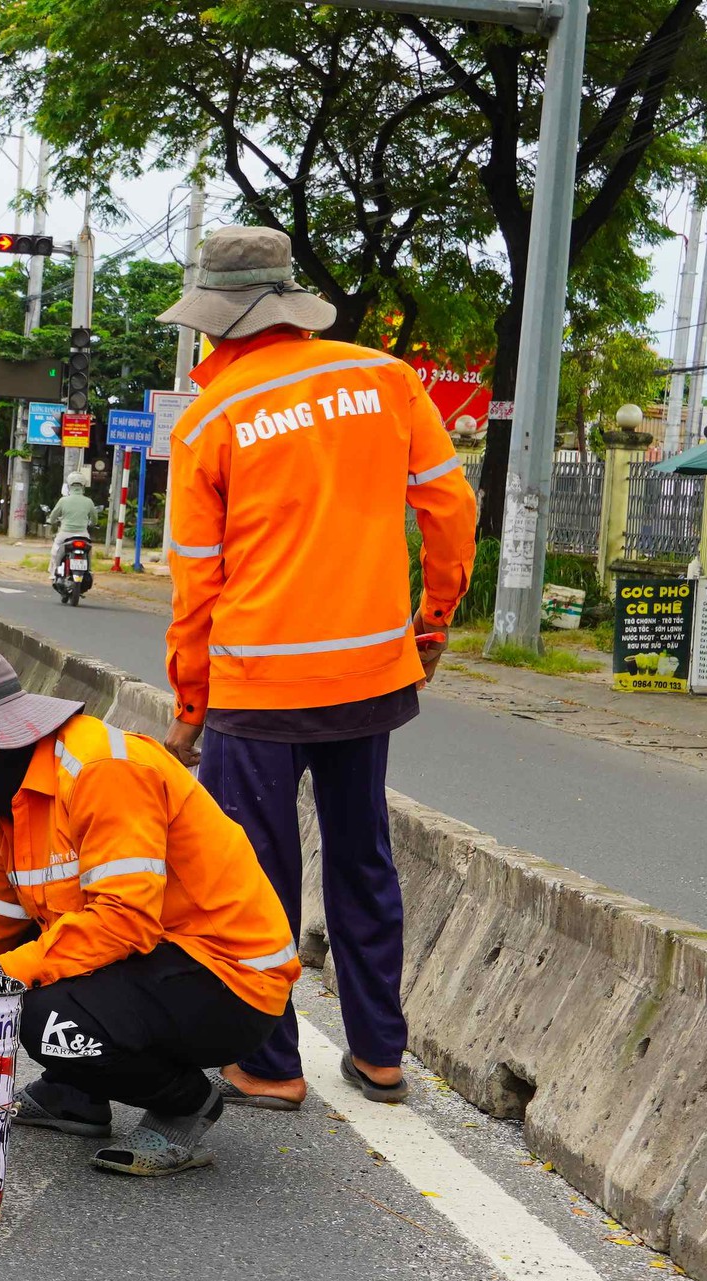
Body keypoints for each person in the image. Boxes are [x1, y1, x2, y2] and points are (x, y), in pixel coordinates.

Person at [157, 225, 478, 1111]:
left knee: (256, 875)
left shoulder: (211, 421)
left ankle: (269, 1061)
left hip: (257, 685)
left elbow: (197, 583)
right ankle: (380, 1053)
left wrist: (191, 699)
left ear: (216, 325)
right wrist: (433, 620)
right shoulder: (385, 379)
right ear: (291, 306)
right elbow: (450, 509)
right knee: (362, 857)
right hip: (372, 674)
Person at [0, 652, 299, 1176]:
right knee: (33, 977)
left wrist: (5, 974)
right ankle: (74, 1095)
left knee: (41, 1011)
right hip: (154, 962)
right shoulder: (13, 806)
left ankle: (185, 1105)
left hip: (228, 981)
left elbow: (123, 920)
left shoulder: (102, 771)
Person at [47, 475, 97, 573]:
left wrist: (50, 521)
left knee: (55, 550)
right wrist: (92, 523)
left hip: (65, 533)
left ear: (69, 486)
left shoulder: (63, 500)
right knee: (88, 551)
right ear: (83, 487)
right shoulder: (89, 501)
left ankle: (53, 572)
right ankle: (88, 570)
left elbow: (53, 516)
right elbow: (94, 519)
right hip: (83, 534)